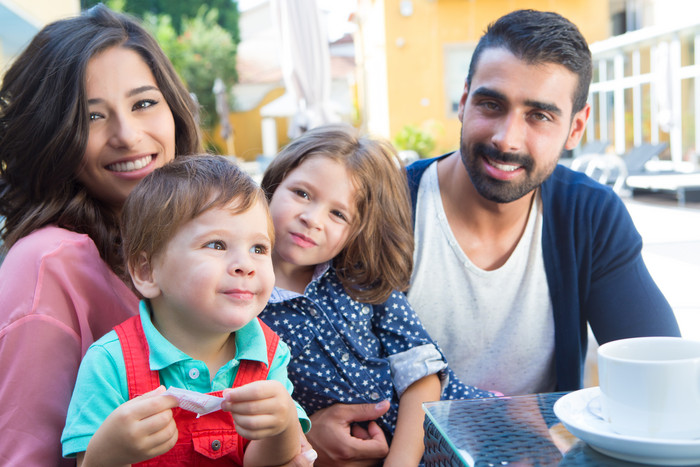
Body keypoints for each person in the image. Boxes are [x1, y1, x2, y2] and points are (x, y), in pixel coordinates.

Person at [404, 9, 681, 396]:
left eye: (539, 116)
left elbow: (663, 374)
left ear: (575, 128)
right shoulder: (392, 204)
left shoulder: (588, 215)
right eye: (491, 104)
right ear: (464, 99)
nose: (508, 139)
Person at [0, 6, 201, 466]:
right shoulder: (49, 263)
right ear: (51, 136)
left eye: (144, 103)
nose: (128, 136)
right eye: (93, 117)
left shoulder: (196, 239)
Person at [259, 124, 493, 467]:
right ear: (273, 186)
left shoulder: (360, 281)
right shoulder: (243, 301)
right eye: (302, 194)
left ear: (356, 231)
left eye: (338, 214)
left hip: (453, 426)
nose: (312, 219)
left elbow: (423, 377)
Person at [61, 155, 310, 466]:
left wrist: (283, 424)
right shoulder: (110, 363)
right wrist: (108, 452)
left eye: (258, 248)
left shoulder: (270, 355)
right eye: (217, 245)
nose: (246, 265)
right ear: (147, 271)